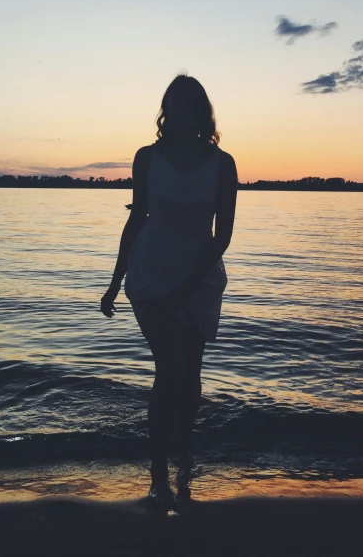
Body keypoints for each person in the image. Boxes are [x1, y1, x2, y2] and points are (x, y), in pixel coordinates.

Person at [100, 73, 238, 509]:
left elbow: (223, 236)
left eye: (190, 102)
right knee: (170, 369)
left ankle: (184, 449)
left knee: (190, 374)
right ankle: (159, 467)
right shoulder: (146, 158)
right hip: (150, 275)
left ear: (202, 111)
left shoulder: (223, 164)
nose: (181, 110)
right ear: (166, 109)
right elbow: (136, 218)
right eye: (174, 102)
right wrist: (114, 281)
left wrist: (191, 285)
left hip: (198, 278)